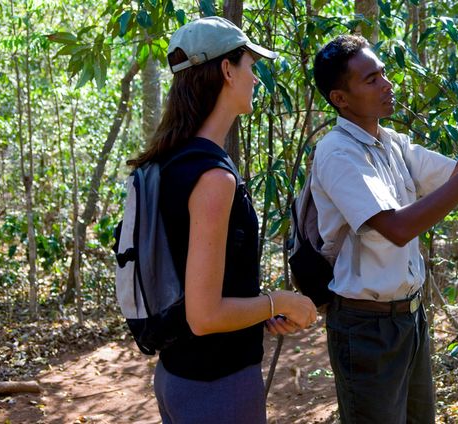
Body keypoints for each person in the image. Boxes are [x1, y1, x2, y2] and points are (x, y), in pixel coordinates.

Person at [310, 34, 458, 423]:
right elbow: (397, 227)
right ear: (340, 98)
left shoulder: (389, 143)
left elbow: (456, 171)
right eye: (371, 79)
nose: (387, 85)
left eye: (384, 74)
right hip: (365, 329)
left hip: (408, 318)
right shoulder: (337, 151)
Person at [127, 16, 317, 424]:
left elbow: (198, 284)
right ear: (227, 70)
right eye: (250, 65)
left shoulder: (171, 162)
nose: (256, 77)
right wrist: (280, 301)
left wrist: (259, 313)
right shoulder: (213, 177)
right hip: (218, 388)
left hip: (179, 378)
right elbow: (205, 314)